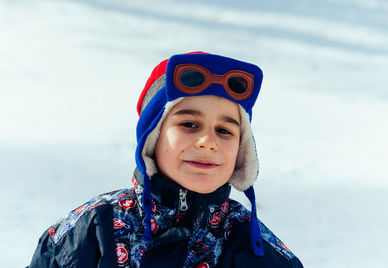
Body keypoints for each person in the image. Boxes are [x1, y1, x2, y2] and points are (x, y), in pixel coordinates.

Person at [28, 52, 303, 267]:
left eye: (224, 130)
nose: (208, 142)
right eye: (190, 125)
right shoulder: (92, 230)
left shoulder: (256, 250)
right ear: (153, 137)